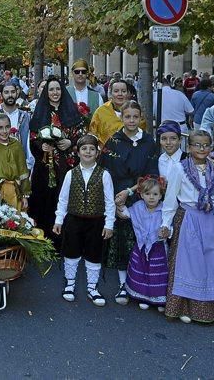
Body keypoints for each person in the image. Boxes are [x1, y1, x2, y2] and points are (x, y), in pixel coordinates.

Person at [159, 130, 214, 324]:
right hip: (188, 219)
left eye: (206, 145)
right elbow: (171, 198)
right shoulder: (179, 168)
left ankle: (209, 309)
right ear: (189, 147)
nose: (202, 148)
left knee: (211, 263)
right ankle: (183, 307)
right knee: (187, 264)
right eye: (197, 145)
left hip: (209, 220)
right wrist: (166, 223)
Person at [99, 100, 160, 305]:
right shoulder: (113, 142)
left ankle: (142, 286)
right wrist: (115, 201)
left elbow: (151, 173)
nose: (132, 120)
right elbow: (104, 172)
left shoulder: (149, 142)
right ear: (121, 118)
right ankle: (123, 285)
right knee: (122, 243)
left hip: (141, 196)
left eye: (135, 116)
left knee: (141, 241)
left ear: (141, 118)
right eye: (127, 117)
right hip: (117, 196)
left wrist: (130, 191)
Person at [52, 134, 114, 306]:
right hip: (74, 220)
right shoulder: (71, 174)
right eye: (84, 149)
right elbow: (63, 199)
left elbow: (110, 202)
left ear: (97, 153)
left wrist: (109, 224)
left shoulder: (104, 175)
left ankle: (92, 287)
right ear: (78, 152)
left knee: (94, 254)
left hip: (96, 221)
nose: (88, 152)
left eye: (91, 149)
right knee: (71, 252)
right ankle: (70, 284)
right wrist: (59, 220)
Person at [29, 76, 86, 244]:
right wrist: (41, 147)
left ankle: (68, 242)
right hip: (45, 168)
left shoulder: (72, 110)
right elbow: (33, 138)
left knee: (67, 200)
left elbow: (82, 135)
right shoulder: (40, 111)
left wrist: (71, 142)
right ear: (46, 92)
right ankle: (45, 241)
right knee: (46, 202)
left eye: (58, 89)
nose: (55, 92)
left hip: (67, 166)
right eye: (51, 89)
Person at [122, 176, 169, 310]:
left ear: (161, 195)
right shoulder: (138, 207)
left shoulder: (165, 209)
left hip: (158, 247)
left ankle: (159, 299)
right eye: (147, 194)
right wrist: (120, 205)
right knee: (141, 270)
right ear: (141, 195)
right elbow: (127, 214)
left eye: (155, 194)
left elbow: (169, 225)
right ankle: (143, 296)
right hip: (142, 245)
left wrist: (166, 231)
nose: (151, 197)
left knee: (158, 273)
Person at [0, 81, 34, 170]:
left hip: (21, 165)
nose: (10, 95)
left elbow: (28, 143)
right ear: (1, 94)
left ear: (17, 93)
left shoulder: (25, 116)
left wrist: (28, 165)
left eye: (13, 92)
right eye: (6, 92)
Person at [89, 79, 143, 146]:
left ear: (128, 93)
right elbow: (92, 135)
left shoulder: (136, 111)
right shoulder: (100, 112)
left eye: (123, 91)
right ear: (111, 93)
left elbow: (143, 135)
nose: (120, 94)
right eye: (116, 91)